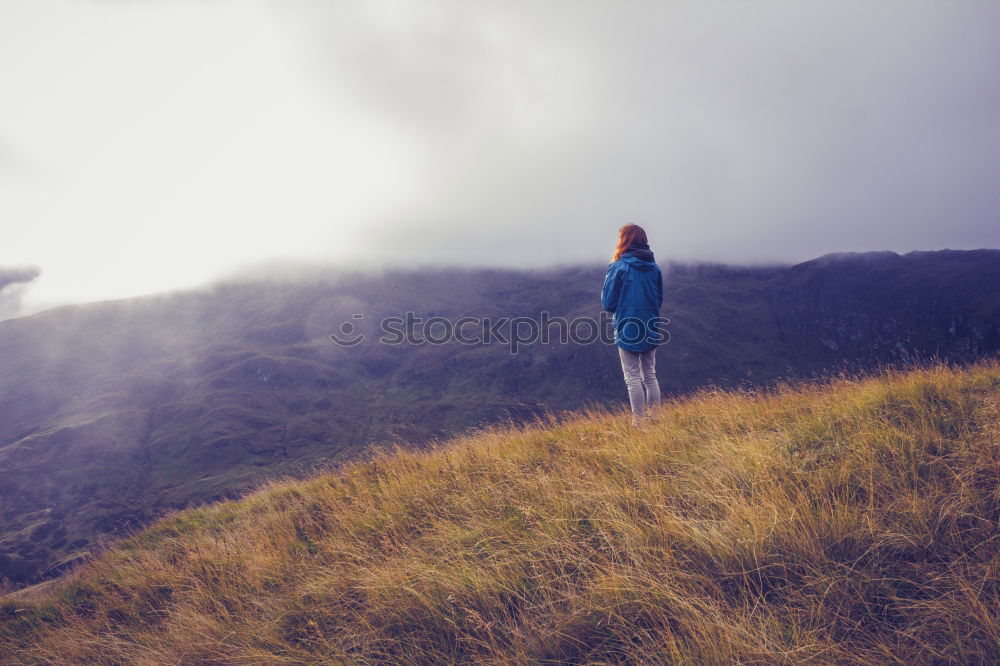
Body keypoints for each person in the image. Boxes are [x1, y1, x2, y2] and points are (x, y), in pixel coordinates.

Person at [601, 224, 665, 425]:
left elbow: (608, 303)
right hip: (651, 324)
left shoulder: (619, 266)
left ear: (624, 240)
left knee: (632, 377)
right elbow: (659, 299)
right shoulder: (655, 268)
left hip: (628, 325)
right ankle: (655, 421)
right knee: (650, 375)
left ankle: (638, 424)